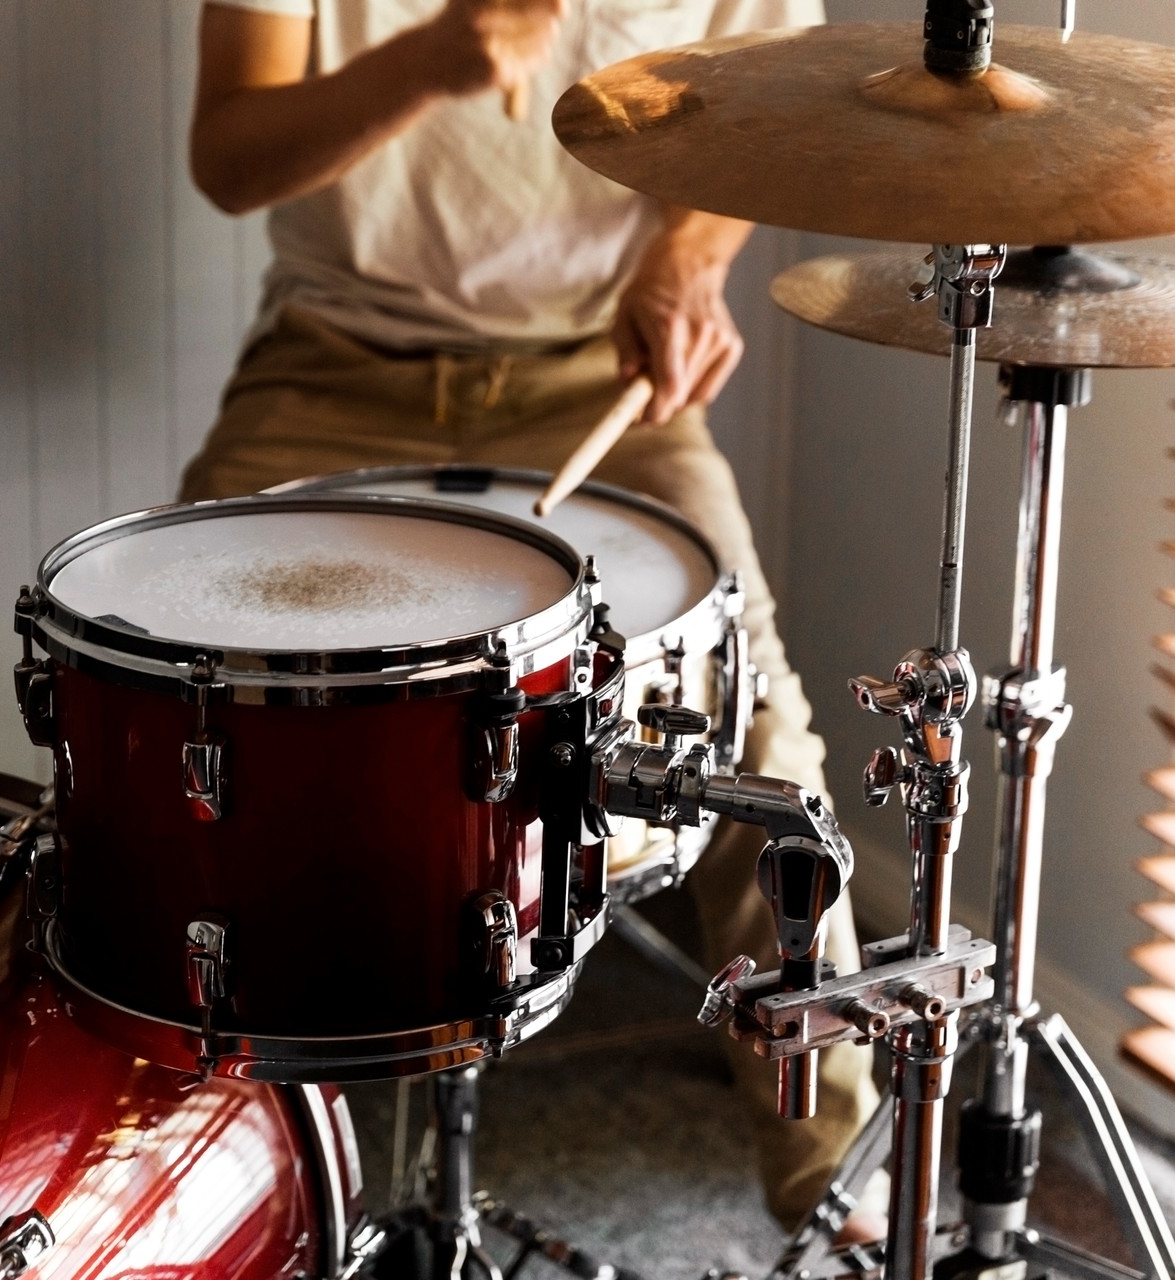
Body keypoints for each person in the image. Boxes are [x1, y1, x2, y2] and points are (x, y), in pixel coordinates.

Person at [181, 0, 879, 1233]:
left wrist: (686, 258)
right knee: (182, 703)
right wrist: (426, 61)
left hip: (593, 378)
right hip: (332, 366)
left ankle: (840, 1183)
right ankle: (167, 1185)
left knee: (757, 743)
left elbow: (757, 122)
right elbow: (230, 156)